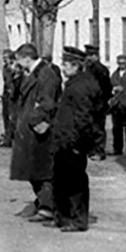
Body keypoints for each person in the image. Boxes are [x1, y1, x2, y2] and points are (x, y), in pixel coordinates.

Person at [10, 43, 61, 222]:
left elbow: (48, 102)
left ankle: (48, 206)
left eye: (18, 60)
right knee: (31, 168)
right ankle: (41, 201)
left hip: (39, 129)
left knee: (42, 168)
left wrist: (34, 119)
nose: (16, 64)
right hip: (29, 128)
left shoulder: (46, 74)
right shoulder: (30, 73)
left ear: (26, 58)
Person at [51, 47, 100, 232]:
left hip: (73, 143)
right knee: (63, 179)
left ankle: (78, 220)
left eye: (65, 64)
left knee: (75, 182)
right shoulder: (75, 83)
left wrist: (76, 143)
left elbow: (83, 118)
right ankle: (63, 217)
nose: (62, 67)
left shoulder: (80, 86)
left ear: (75, 65)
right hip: (66, 141)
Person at [83, 44, 112, 160]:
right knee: (89, 128)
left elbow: (106, 88)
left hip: (98, 104)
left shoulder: (101, 70)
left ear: (96, 56)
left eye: (90, 55)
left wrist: (103, 102)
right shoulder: (88, 69)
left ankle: (99, 152)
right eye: (87, 55)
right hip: (89, 103)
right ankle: (91, 150)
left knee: (98, 129)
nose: (88, 58)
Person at [1, 49, 21, 148]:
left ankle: (11, 139)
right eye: (3, 58)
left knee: (13, 117)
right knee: (6, 116)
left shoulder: (16, 67)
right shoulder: (5, 68)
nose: (4, 60)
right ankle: (7, 138)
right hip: (6, 94)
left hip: (14, 95)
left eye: (6, 58)